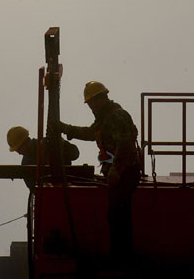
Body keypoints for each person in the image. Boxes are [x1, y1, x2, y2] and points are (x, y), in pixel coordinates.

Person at [59, 81, 141, 264]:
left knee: (119, 214)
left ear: (102, 98)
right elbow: (91, 133)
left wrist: (116, 170)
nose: (91, 107)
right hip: (118, 171)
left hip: (125, 171)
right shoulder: (104, 119)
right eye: (89, 104)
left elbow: (125, 144)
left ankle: (121, 258)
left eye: (92, 102)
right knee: (117, 213)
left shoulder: (117, 116)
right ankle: (119, 256)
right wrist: (66, 129)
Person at [7, 126, 80, 190]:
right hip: (51, 197)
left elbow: (75, 154)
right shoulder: (26, 164)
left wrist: (62, 146)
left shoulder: (50, 142)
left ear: (25, 143)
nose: (19, 153)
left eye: (19, 149)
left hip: (68, 187)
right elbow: (34, 189)